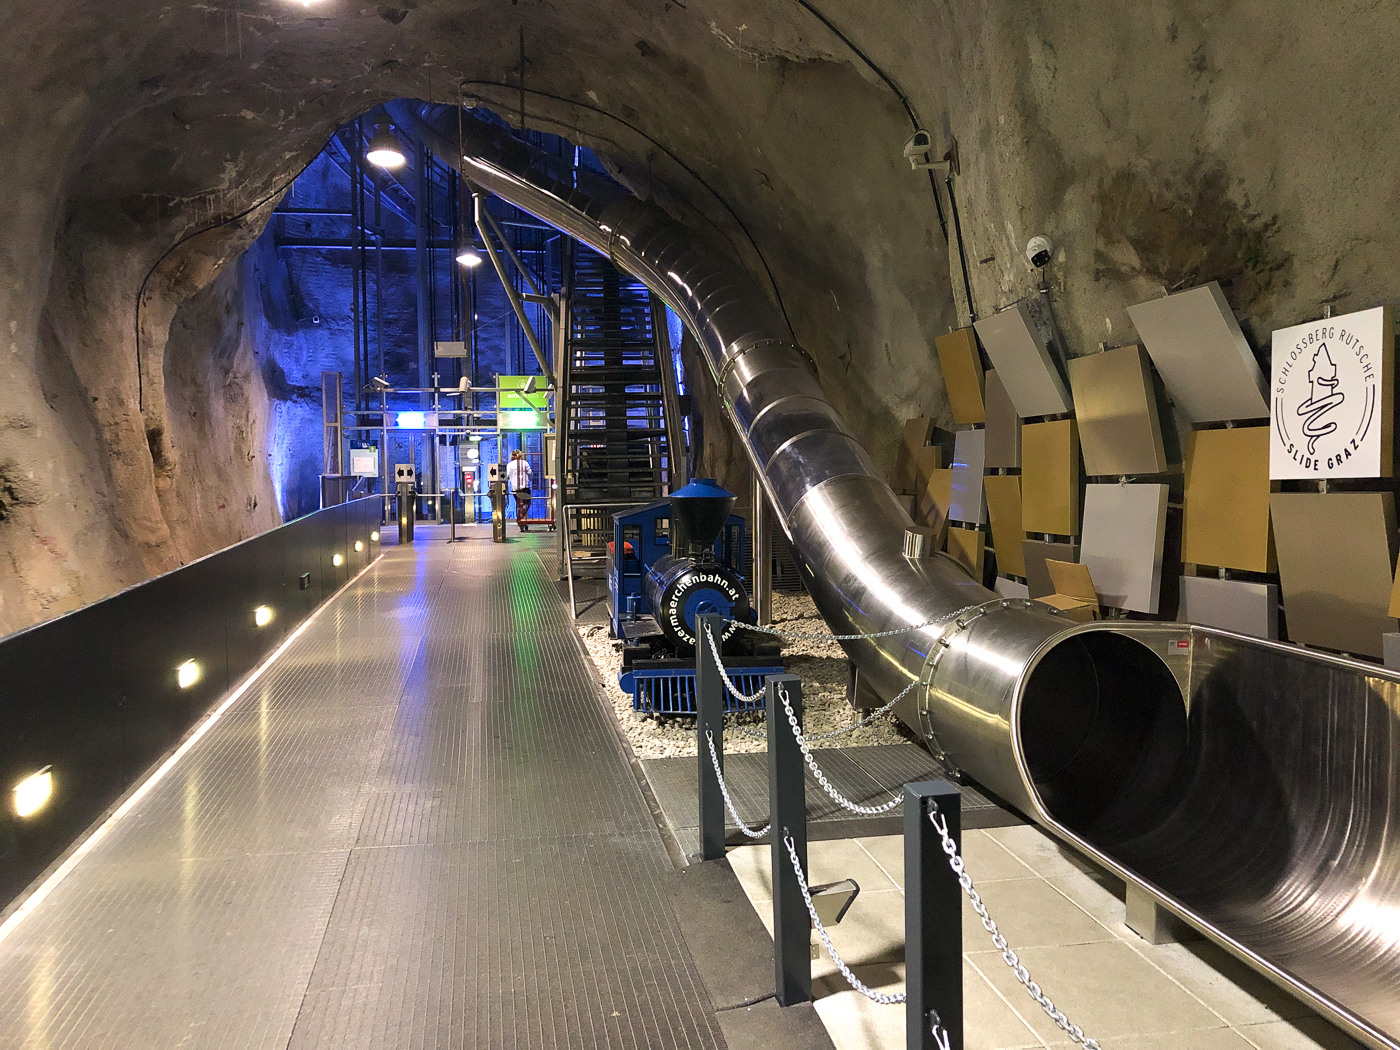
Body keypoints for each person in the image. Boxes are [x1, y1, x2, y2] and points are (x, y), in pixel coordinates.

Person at [506, 450, 533, 532]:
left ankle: (520, 519)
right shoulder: (524, 463)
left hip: (515, 488)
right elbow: (530, 472)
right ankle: (520, 518)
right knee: (527, 503)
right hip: (525, 486)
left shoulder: (509, 465)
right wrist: (530, 479)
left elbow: (507, 475)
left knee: (519, 504)